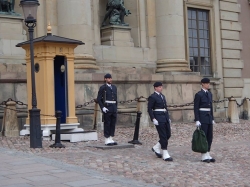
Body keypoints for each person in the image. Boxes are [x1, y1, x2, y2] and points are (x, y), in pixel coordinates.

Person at [148, 82, 173, 161]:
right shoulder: (153, 97)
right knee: (163, 135)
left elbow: (165, 108)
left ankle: (156, 147)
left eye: (161, 87)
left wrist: (168, 117)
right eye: (159, 87)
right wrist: (153, 119)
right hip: (158, 117)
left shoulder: (162, 96)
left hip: (164, 117)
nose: (161, 88)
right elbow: (149, 109)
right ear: (155, 88)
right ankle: (165, 153)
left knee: (168, 134)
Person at [194, 78, 216, 163]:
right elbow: (196, 108)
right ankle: (203, 155)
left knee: (209, 136)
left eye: (208, 83)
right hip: (202, 117)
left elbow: (211, 107)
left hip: (209, 117)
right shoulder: (199, 94)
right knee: (203, 136)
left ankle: (207, 153)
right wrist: (197, 119)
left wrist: (212, 118)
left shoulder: (209, 94)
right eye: (206, 83)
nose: (208, 85)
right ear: (202, 84)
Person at [97, 73, 118, 146]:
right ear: (105, 79)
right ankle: (106, 139)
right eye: (108, 78)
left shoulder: (114, 87)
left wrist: (116, 107)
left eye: (111, 78)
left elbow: (116, 98)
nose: (110, 80)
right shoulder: (103, 87)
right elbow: (99, 99)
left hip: (113, 107)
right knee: (107, 123)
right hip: (107, 107)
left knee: (113, 123)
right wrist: (102, 107)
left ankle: (111, 138)